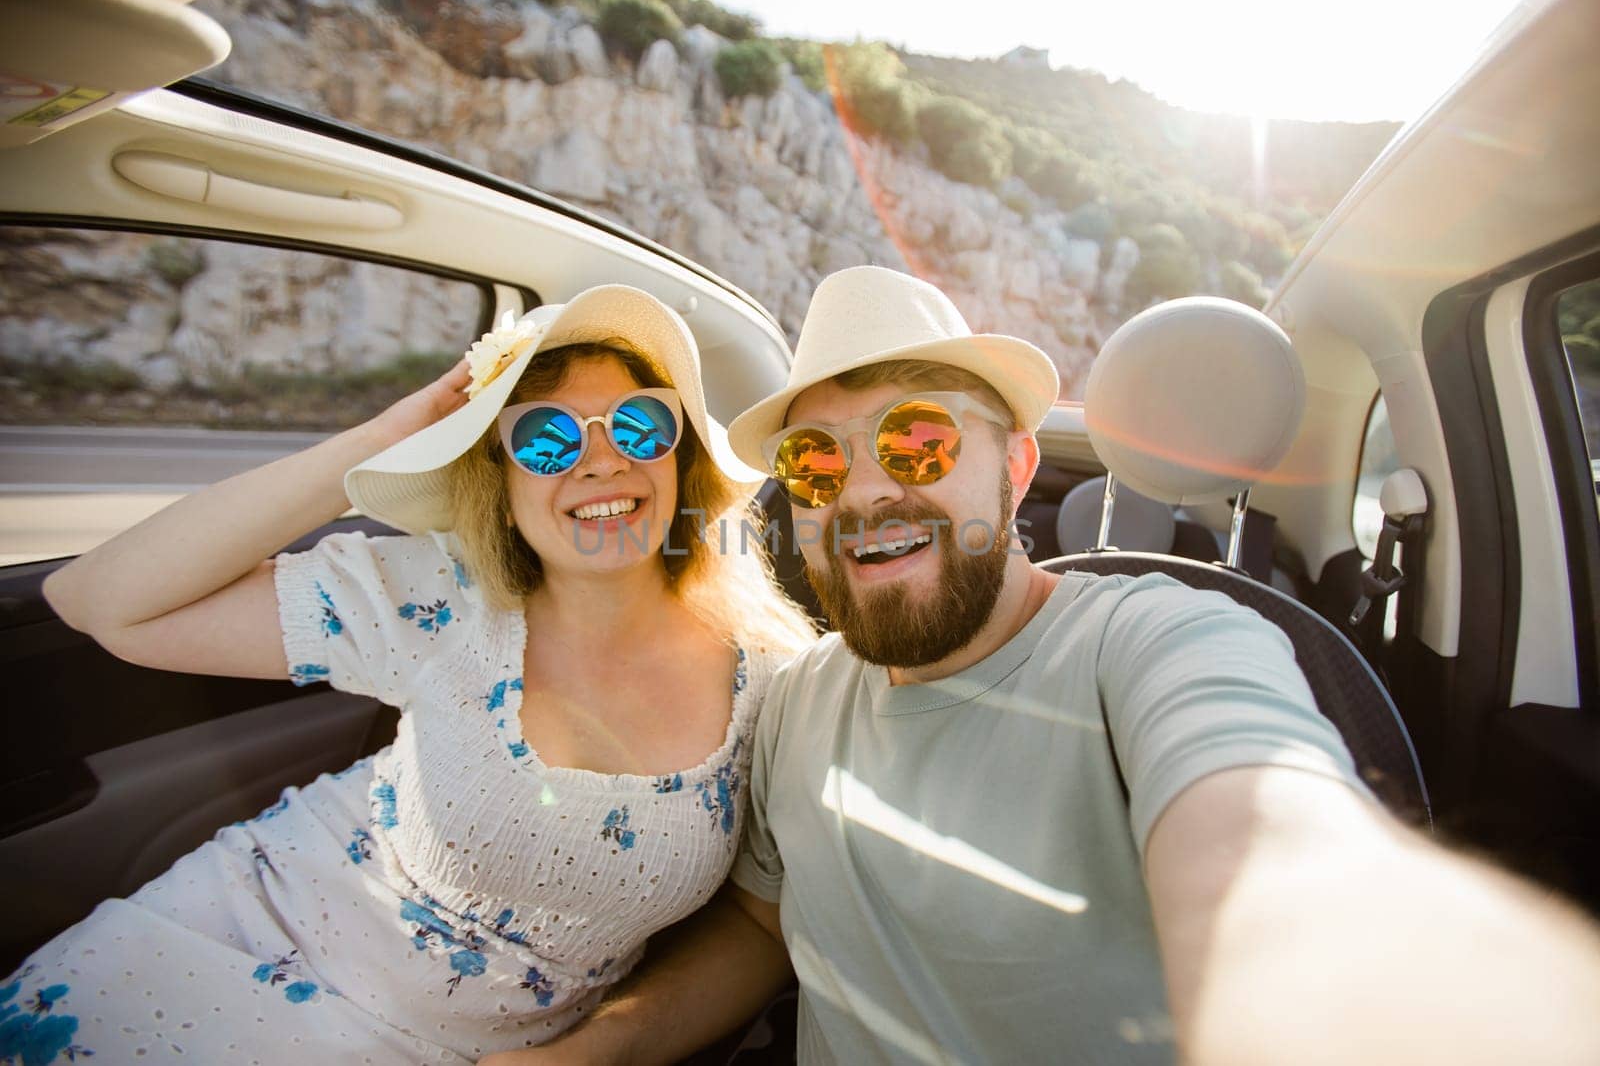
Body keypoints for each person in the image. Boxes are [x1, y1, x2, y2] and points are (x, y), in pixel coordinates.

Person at [497, 266, 1600, 1066]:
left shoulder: (1157, 644)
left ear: (1012, 467)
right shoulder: (792, 698)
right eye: (816, 459)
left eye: (918, 442)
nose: (869, 489)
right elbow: (763, 920)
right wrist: (596, 1051)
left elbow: (1273, 842)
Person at [18, 285, 816, 1063]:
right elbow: (101, 601)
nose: (602, 462)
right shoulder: (435, 597)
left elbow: (761, 925)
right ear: (502, 490)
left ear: (681, 461)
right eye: (547, 440)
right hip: (221, 952)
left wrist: (597, 1052)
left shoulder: (776, 682)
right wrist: (381, 439)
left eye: (640, 427)